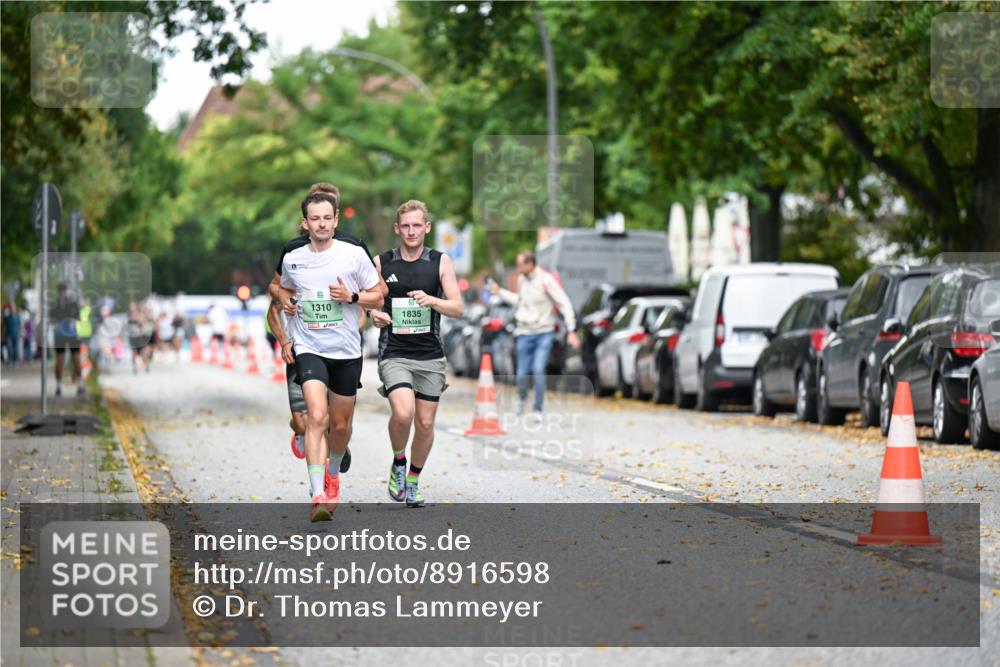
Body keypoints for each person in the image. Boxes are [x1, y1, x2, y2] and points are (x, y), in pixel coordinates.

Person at [267, 183, 387, 474]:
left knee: (337, 420)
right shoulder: (293, 252)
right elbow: (274, 291)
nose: (322, 221)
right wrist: (283, 303)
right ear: (305, 220)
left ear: (335, 215)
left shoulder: (353, 247)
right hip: (304, 344)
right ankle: (315, 464)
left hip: (342, 345)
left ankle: (335, 450)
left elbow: (375, 287)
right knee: (306, 419)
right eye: (315, 216)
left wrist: (364, 308)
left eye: (328, 213)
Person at [370, 200, 463, 508]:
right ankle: (398, 461)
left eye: (416, 225)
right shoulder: (383, 262)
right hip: (394, 352)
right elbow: (370, 303)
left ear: (427, 228)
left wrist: (431, 300)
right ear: (397, 228)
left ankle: (412, 480)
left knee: (424, 424)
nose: (411, 231)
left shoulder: (440, 262)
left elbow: (458, 307)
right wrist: (375, 315)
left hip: (430, 355)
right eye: (405, 226)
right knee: (403, 412)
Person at [491, 251, 580, 414]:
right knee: (522, 372)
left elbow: (564, 303)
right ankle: (522, 398)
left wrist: (571, 329)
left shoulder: (546, 280)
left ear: (530, 264)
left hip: (544, 332)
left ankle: (538, 408)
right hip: (524, 332)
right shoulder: (521, 280)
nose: (518, 269)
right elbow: (520, 301)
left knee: (538, 369)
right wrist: (500, 292)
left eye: (520, 265)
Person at [51, 282, 85, 396]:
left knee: (72, 359)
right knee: (65, 359)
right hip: (65, 334)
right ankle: (61, 386)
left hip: (68, 334)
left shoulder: (61, 303)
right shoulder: (60, 304)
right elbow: (79, 318)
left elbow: (78, 317)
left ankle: (73, 385)